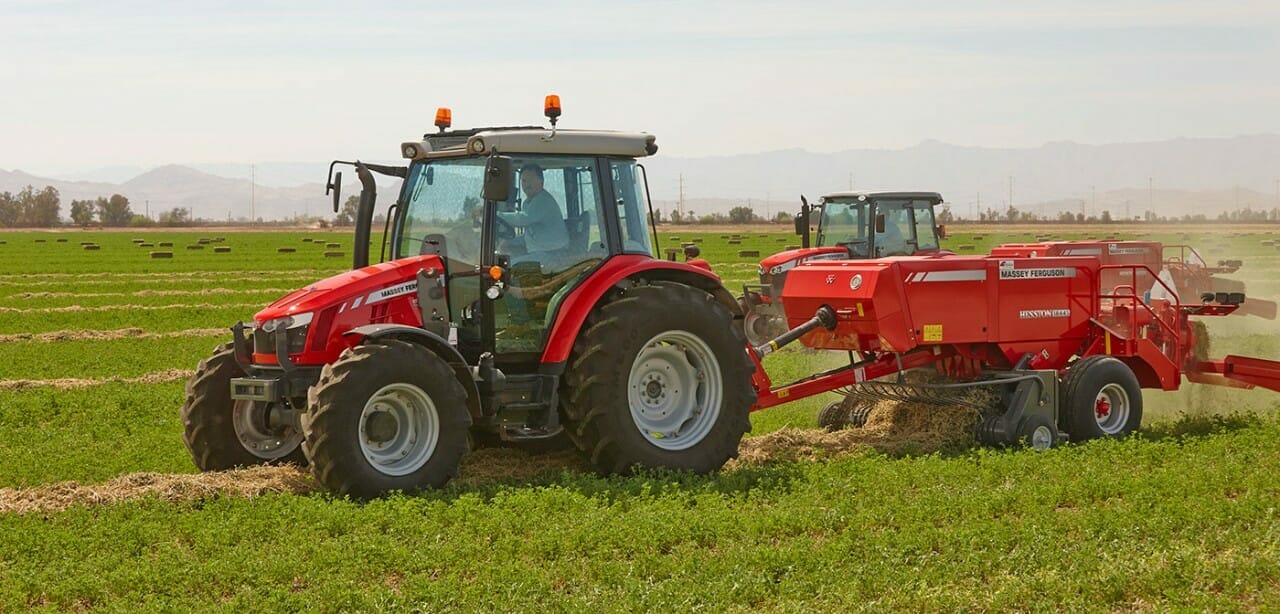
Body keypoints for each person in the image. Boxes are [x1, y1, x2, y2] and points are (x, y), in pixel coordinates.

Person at [497, 164, 569, 264]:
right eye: (524, 181)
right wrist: (509, 241)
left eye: (531, 180)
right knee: (505, 261)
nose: (527, 185)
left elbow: (523, 219)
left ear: (541, 182)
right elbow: (531, 235)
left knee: (511, 267)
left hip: (553, 254)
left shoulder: (542, 200)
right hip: (543, 251)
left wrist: (496, 215)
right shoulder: (529, 202)